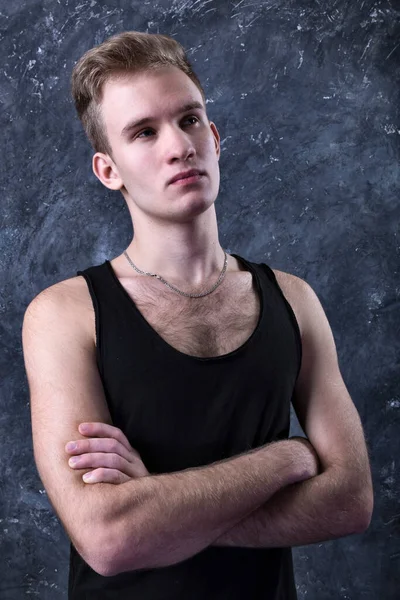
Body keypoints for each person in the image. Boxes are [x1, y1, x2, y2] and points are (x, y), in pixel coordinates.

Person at [22, 31, 373, 599]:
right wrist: (288, 456)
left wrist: (158, 507)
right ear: (108, 170)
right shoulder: (65, 315)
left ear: (213, 136)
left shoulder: (293, 300)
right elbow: (108, 539)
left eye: (189, 120)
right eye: (143, 132)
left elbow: (351, 501)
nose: (178, 145)